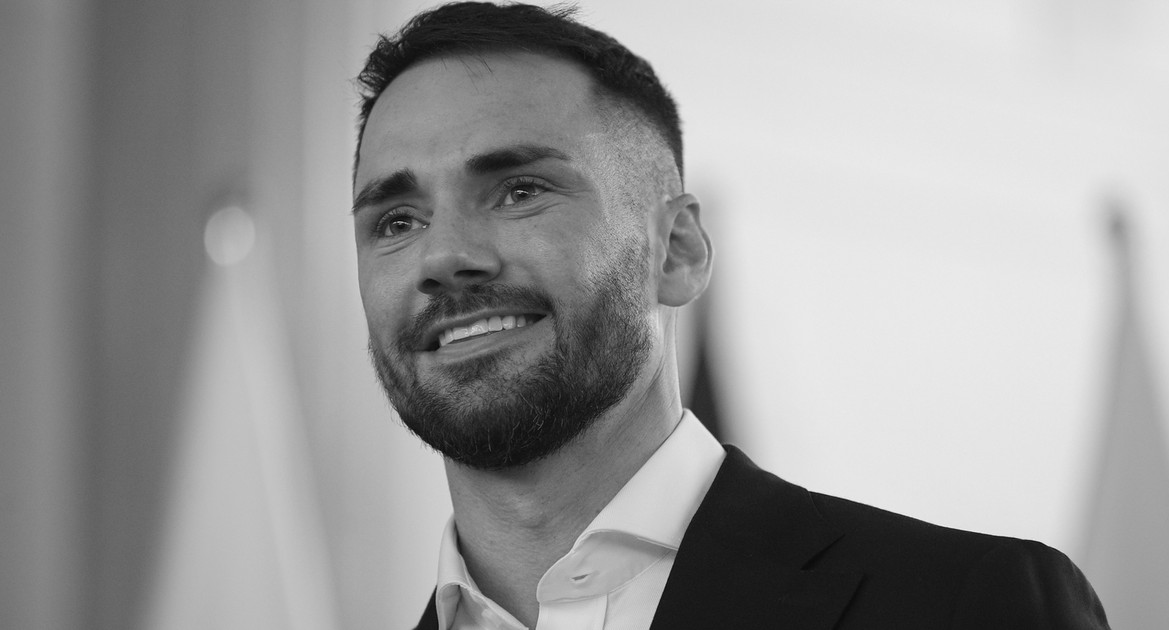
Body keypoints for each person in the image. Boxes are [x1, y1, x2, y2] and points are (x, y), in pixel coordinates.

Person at [350, 3, 1110, 629]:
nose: (442, 256)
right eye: (396, 221)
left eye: (520, 191)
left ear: (677, 251)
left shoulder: (970, 606)